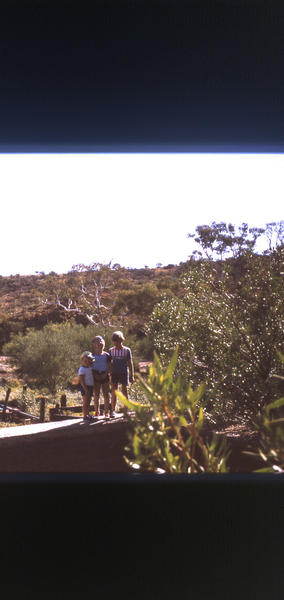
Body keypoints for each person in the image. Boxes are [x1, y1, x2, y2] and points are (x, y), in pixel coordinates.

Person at [109, 331, 134, 418]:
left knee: (124, 390)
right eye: (114, 341)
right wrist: (110, 375)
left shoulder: (127, 350)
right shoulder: (111, 351)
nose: (116, 343)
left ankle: (126, 409)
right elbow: (110, 364)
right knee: (114, 391)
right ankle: (112, 410)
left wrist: (132, 375)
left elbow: (130, 363)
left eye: (118, 341)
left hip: (124, 372)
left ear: (122, 340)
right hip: (114, 373)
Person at [92, 335, 111, 418]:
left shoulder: (107, 355)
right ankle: (97, 412)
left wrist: (105, 374)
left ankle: (107, 412)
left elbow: (109, 366)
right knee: (96, 394)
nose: (99, 344)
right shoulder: (92, 355)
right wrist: (95, 375)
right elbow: (90, 366)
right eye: (97, 342)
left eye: (101, 342)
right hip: (95, 375)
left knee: (106, 394)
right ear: (94, 345)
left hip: (105, 375)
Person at [78, 351, 94, 422]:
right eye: (85, 361)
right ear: (82, 360)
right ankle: (84, 416)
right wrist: (85, 389)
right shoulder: (82, 369)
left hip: (90, 386)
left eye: (88, 361)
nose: (87, 362)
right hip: (85, 386)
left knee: (89, 401)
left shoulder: (90, 368)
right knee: (85, 402)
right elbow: (81, 380)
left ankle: (87, 414)